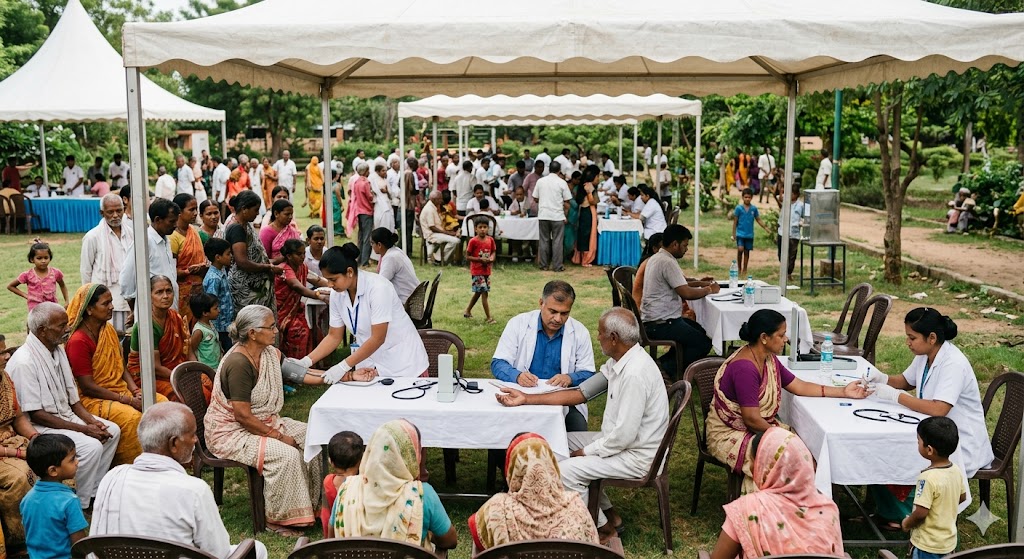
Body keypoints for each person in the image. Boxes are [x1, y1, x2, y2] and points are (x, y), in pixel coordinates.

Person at [496, 308, 667, 541]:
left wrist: (585, 452)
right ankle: (605, 513)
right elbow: (580, 393)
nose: (598, 338)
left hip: (638, 455)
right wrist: (526, 398)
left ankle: (596, 529)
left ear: (614, 338)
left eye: (601, 333)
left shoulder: (634, 374)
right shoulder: (622, 361)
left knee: (566, 471)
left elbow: (623, 437)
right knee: (552, 443)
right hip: (622, 442)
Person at [706, 309, 868, 491]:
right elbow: (751, 420)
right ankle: (789, 508)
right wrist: (786, 438)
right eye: (781, 335)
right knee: (794, 454)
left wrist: (843, 392)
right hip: (730, 434)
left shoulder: (767, 359)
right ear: (764, 337)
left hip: (757, 427)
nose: (786, 339)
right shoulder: (745, 368)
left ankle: (803, 502)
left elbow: (799, 385)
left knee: (810, 446)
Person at [864, 308, 993, 528]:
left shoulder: (953, 363)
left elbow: (939, 409)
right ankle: (889, 510)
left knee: (889, 450)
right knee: (878, 445)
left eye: (912, 337)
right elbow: (905, 380)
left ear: (932, 338)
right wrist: (882, 378)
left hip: (956, 440)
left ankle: (902, 514)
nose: (908, 342)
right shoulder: (926, 355)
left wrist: (896, 397)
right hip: (934, 431)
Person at [89, 402, 268, 559]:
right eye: (192, 434)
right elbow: (218, 553)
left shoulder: (112, 477)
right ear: (173, 443)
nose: (196, 440)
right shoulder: (194, 490)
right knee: (256, 549)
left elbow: (94, 547)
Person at [205, 305, 326, 536]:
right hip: (231, 432)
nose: (276, 330)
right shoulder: (239, 363)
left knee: (314, 436)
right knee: (286, 454)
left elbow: (299, 373)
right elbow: (242, 416)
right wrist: (280, 437)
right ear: (252, 333)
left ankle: (312, 505)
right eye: (270, 327)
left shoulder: (268, 353)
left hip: (263, 420)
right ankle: (277, 520)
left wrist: (343, 375)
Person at [9, 303, 122, 509]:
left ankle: (93, 490)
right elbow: (37, 414)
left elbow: (73, 400)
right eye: (61, 326)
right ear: (42, 331)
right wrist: (85, 430)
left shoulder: (56, 350)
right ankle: (81, 503)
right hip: (40, 426)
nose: (68, 329)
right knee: (91, 447)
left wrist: (93, 422)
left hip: (64, 417)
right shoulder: (24, 362)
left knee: (111, 430)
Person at [66, 284, 163, 467]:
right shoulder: (78, 341)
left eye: (111, 302)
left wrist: (135, 390)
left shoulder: (107, 330)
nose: (112, 307)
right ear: (89, 309)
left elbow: (121, 366)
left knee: (161, 403)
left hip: (120, 391)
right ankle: (131, 468)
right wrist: (126, 400)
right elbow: (87, 386)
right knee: (131, 418)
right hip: (91, 399)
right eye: (106, 303)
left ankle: (162, 462)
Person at [709, 427, 844, 559]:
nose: (750, 468)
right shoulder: (828, 510)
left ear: (768, 467)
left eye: (753, 462)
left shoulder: (746, 509)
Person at [303, 244, 428, 379]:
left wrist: (343, 366)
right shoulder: (336, 295)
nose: (329, 285)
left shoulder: (379, 288)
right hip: (369, 363)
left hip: (403, 363)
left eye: (333, 279)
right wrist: (306, 361)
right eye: (327, 280)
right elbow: (334, 336)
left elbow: (378, 338)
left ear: (350, 272)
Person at [329, 419, 457, 551]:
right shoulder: (422, 494)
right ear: (412, 455)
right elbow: (450, 541)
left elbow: (332, 541)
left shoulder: (347, 490)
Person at [491, 281, 595, 431]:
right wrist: (517, 376)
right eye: (553, 311)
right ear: (541, 303)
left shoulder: (580, 332)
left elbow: (589, 373)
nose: (558, 319)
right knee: (500, 436)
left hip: (563, 400)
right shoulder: (518, 323)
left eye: (564, 313)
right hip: (520, 394)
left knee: (577, 430)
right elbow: (498, 363)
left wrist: (570, 378)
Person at [469, 433, 599, 552]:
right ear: (551, 466)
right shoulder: (576, 506)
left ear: (513, 469)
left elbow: (481, 547)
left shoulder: (497, 509)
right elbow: (592, 547)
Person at [639, 225, 716, 377]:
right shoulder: (667, 262)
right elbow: (686, 293)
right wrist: (709, 290)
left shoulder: (657, 258)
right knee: (703, 343)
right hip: (660, 323)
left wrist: (702, 284)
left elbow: (681, 283)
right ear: (675, 244)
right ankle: (668, 370)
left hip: (656, 319)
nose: (686, 249)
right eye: (685, 245)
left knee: (700, 331)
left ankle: (663, 363)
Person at [128, 276, 211, 403]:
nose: (165, 296)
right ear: (149, 296)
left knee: (209, 385)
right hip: (150, 377)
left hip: (175, 371)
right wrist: (182, 377)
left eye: (169, 291)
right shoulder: (146, 326)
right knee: (180, 396)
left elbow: (188, 352)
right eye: (159, 292)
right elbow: (156, 368)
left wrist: (196, 373)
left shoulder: (176, 317)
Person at [900, 417, 966, 559]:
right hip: (948, 542)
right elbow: (962, 497)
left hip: (927, 545)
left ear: (929, 449)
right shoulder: (956, 470)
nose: (917, 444)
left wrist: (907, 523)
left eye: (919, 441)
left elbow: (921, 513)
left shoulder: (927, 478)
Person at [20, 434, 88, 559]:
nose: (77, 462)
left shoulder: (27, 499)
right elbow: (79, 544)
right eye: (72, 459)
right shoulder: (69, 501)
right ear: (53, 471)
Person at [0, 337, 36, 559]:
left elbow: (18, 417)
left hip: (11, 439)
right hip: (4, 452)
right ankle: (18, 542)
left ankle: (50, 527)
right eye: (1, 353)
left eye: (5, 351)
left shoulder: (4, 377)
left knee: (54, 455)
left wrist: (35, 438)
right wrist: (18, 453)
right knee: (22, 476)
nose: (7, 357)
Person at [81, 194, 134, 333]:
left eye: (119, 211)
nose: (115, 215)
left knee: (129, 338)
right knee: (108, 338)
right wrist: (89, 301)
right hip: (106, 300)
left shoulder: (132, 233)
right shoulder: (93, 237)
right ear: (102, 213)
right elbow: (86, 271)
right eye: (110, 212)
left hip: (130, 298)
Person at [226, 190, 283, 313]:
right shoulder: (237, 228)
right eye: (255, 210)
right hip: (244, 288)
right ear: (244, 209)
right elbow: (242, 262)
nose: (257, 214)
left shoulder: (244, 224)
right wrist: (268, 267)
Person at [120, 198, 181, 310]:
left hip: (169, 312)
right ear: (158, 220)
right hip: (150, 314)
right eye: (172, 221)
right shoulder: (144, 242)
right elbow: (126, 279)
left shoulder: (166, 240)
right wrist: (136, 310)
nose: (176, 225)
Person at [276, 239, 329, 360]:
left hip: (295, 310)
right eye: (299, 254)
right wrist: (319, 296)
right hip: (281, 313)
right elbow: (297, 287)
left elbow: (316, 280)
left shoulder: (302, 267)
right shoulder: (284, 269)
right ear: (289, 256)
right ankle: (291, 367)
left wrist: (333, 286)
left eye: (303, 254)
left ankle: (304, 365)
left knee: (310, 329)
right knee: (298, 331)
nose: (302, 257)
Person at [170, 193, 208, 325]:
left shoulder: (194, 231)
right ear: (179, 212)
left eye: (196, 209)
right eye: (191, 209)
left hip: (198, 292)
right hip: (182, 294)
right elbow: (171, 270)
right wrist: (188, 271)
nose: (196, 213)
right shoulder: (173, 237)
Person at [321, 431, 364, 538]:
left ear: (331, 462)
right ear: (360, 460)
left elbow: (326, 517)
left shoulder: (329, 482)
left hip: (338, 535)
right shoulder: (366, 482)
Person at [532, 160, 572, 272]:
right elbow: (567, 200)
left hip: (544, 215)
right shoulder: (562, 182)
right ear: (559, 170)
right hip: (557, 216)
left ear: (548, 169)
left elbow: (535, 197)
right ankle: (557, 266)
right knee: (557, 241)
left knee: (544, 240)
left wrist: (543, 200)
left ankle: (544, 265)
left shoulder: (540, 181)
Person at [8, 242, 67, 311]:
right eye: (39, 258)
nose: (43, 261)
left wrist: (67, 300)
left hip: (52, 308)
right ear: (32, 259)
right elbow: (10, 286)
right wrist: (25, 295)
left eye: (46, 258)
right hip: (35, 310)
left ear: (50, 258)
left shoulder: (55, 273)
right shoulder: (27, 275)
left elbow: (62, 285)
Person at [203, 238, 235, 353]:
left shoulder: (222, 271)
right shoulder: (213, 278)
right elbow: (211, 303)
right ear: (218, 257)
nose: (231, 256)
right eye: (228, 254)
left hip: (226, 324)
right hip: (220, 327)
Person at [371, 227, 420, 303]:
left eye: (372, 243)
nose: (372, 246)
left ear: (379, 245)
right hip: (412, 297)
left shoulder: (390, 257)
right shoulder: (396, 251)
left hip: (405, 301)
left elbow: (380, 284)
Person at [731, 188, 771, 276]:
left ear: (751, 198)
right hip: (740, 233)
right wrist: (733, 234)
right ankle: (739, 267)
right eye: (745, 197)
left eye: (749, 197)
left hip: (749, 234)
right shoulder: (739, 209)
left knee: (747, 251)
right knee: (740, 249)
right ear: (742, 198)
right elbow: (735, 222)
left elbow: (758, 219)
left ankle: (745, 269)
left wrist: (766, 228)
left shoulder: (754, 209)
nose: (747, 199)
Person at [464, 217, 497, 324]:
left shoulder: (490, 240)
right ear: (475, 229)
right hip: (477, 271)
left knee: (478, 293)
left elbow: (493, 251)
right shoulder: (473, 241)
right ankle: (488, 317)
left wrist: (492, 258)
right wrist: (479, 259)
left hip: (486, 270)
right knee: (484, 292)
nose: (483, 229)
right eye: (480, 227)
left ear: (488, 228)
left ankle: (468, 311)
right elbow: (468, 256)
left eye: (485, 227)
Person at [421, 190, 461, 266]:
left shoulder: (433, 206)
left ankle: (438, 258)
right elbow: (432, 227)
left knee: (455, 237)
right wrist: (447, 233)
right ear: (434, 199)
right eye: (439, 199)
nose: (441, 201)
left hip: (437, 233)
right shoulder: (429, 209)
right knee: (456, 241)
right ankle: (439, 259)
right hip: (432, 235)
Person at [774, 186, 804, 281]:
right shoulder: (785, 202)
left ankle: (789, 273)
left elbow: (804, 216)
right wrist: (782, 188)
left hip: (794, 233)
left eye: (792, 194)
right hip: (782, 231)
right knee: (781, 253)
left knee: (792, 254)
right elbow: (779, 197)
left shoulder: (800, 205)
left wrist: (801, 223)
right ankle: (783, 270)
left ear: (796, 195)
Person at [572, 165, 599, 267]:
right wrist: (590, 192)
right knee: (588, 235)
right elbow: (591, 201)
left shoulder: (581, 185)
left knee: (582, 234)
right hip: (588, 211)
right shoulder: (589, 186)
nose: (598, 179)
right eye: (597, 176)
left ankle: (580, 257)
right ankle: (586, 259)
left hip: (583, 210)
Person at [348, 163, 376, 267]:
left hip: (359, 211)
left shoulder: (356, 182)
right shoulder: (366, 182)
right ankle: (365, 260)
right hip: (367, 211)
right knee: (367, 237)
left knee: (360, 236)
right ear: (365, 171)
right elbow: (370, 197)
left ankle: (359, 259)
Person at [188, 291, 223, 370]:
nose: (219, 310)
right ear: (205, 313)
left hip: (216, 366)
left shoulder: (210, 324)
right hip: (207, 369)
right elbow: (191, 349)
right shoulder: (199, 331)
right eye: (215, 308)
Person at [260, 199, 301, 264]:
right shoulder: (266, 232)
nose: (290, 217)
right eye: (287, 214)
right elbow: (264, 258)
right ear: (276, 214)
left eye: (291, 214)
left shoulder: (292, 230)